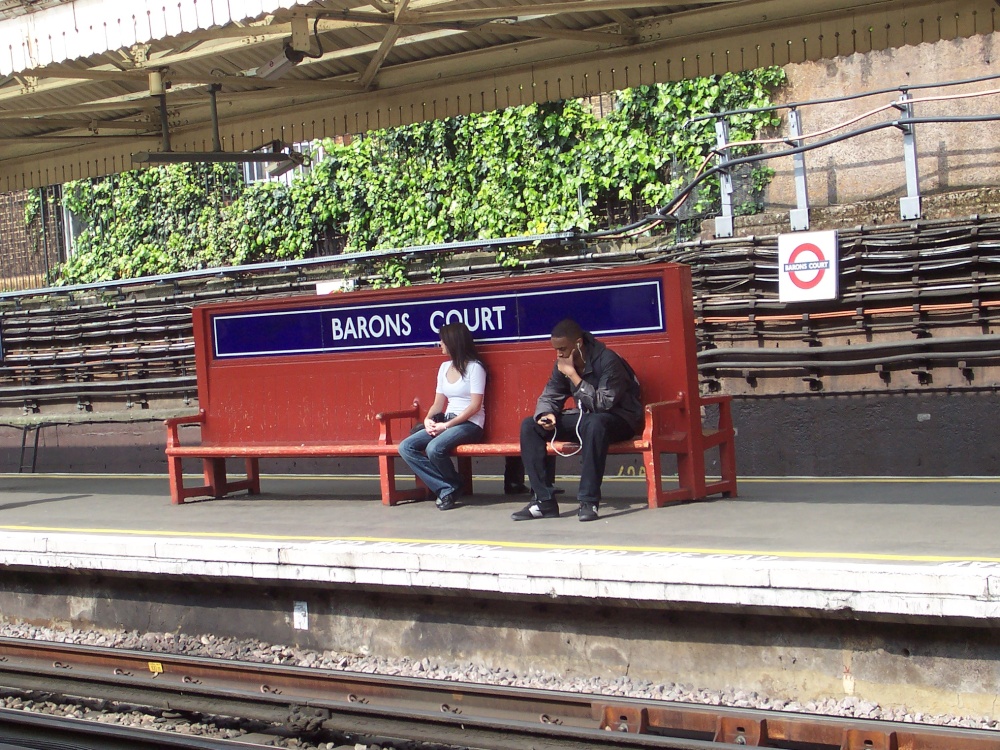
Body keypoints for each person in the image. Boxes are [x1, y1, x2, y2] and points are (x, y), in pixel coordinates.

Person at [512, 319, 642, 522]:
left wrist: (573, 376)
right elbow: (550, 395)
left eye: (563, 349)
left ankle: (589, 501)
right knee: (530, 426)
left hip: (620, 420)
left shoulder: (608, 360)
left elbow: (603, 403)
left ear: (579, 344)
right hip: (588, 419)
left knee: (595, 423)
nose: (559, 354)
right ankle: (543, 501)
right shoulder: (561, 365)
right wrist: (546, 414)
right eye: (555, 350)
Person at [399, 322, 486, 511]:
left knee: (434, 448)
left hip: (470, 424)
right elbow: (438, 403)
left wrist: (446, 426)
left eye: (443, 340)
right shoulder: (444, 367)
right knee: (406, 446)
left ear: (454, 342)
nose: (440, 344)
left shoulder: (475, 368)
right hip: (446, 421)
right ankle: (447, 487)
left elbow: (474, 406)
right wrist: (428, 421)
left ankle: (450, 487)